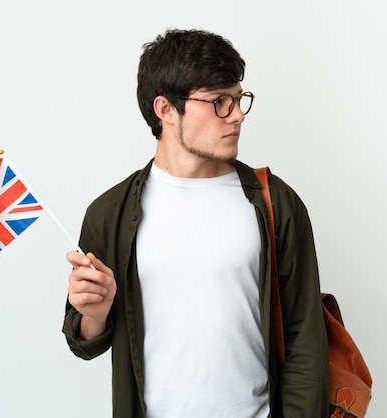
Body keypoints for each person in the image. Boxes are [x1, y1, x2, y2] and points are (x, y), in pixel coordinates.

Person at [62, 28, 329, 418]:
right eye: (219, 101)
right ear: (166, 110)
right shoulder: (110, 213)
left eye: (239, 99)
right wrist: (95, 312)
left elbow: (305, 338)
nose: (236, 114)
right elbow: (85, 341)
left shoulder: (274, 202)